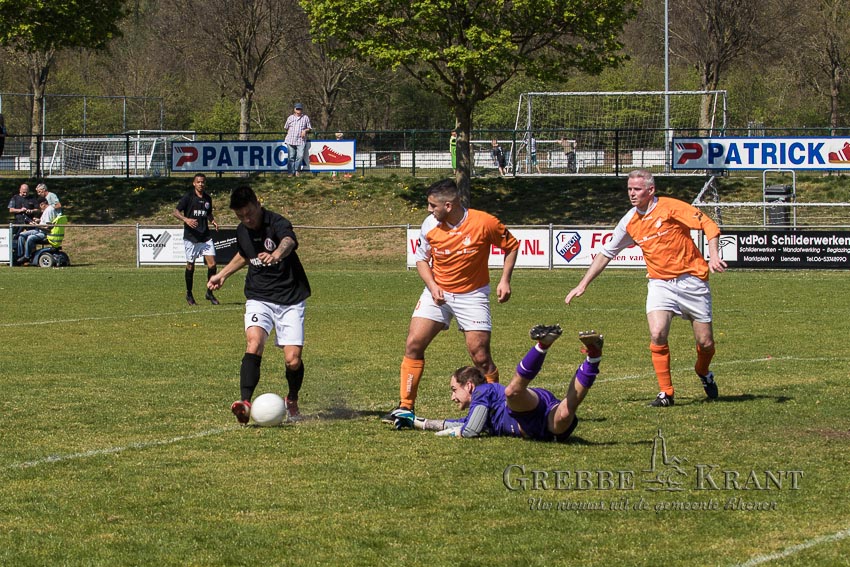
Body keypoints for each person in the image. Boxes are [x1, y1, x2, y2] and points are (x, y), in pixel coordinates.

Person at [564, 169, 727, 407]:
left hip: (692, 279)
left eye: (637, 189)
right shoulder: (629, 221)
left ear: (651, 190)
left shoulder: (671, 207)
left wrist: (713, 255)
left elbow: (709, 225)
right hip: (660, 283)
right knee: (657, 333)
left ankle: (703, 371)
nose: (632, 193)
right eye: (629, 189)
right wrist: (583, 284)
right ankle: (666, 393)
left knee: (706, 343)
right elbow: (606, 253)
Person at [384, 178, 519, 429]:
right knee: (414, 343)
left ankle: (494, 410)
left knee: (480, 357)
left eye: (432, 205)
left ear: (449, 205)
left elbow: (511, 246)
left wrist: (505, 280)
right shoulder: (429, 225)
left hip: (473, 295)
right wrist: (433, 286)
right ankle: (405, 407)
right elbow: (421, 260)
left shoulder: (484, 222)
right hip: (438, 292)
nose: (429, 210)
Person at [208, 185, 312, 423]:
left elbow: (288, 241)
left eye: (249, 213)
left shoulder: (276, 222)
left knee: (293, 360)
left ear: (258, 204)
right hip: (259, 296)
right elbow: (245, 255)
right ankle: (244, 403)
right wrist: (222, 275)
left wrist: (276, 254)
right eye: (240, 216)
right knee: (254, 343)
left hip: (290, 298)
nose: (247, 219)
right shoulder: (242, 230)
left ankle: (292, 399)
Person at [412, 325, 603, 442]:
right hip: (542, 428)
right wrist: (419, 422)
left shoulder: (482, 392)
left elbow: (470, 430)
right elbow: (457, 424)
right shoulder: (479, 411)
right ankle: (593, 356)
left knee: (512, 392)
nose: (452, 397)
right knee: (566, 413)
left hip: (525, 410)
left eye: (454, 389)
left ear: (469, 386)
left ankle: (542, 345)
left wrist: (454, 434)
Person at [173, 173, 219, 306]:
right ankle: (189, 293)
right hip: (191, 237)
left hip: (205, 236)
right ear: (194, 183)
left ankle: (209, 292)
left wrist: (213, 221)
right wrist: (186, 219)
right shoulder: (188, 197)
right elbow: (175, 212)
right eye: (198, 182)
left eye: (202, 182)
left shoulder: (207, 198)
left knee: (212, 265)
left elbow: (208, 213)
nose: (200, 184)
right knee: (190, 265)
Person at [16, 197, 58, 264]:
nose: (40, 208)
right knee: (21, 235)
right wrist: (39, 221)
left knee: (30, 238)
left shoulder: (49, 211)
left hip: (44, 233)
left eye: (40, 206)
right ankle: (20, 255)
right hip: (39, 230)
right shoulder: (48, 210)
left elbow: (48, 228)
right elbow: (46, 222)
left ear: (43, 204)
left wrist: (36, 225)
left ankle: (27, 256)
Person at [284, 103, 312, 177]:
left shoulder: (305, 117)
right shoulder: (290, 118)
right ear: (294, 109)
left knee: (300, 156)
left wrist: (305, 131)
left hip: (301, 140)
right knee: (291, 157)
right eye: (297, 109)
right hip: (290, 140)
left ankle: (297, 171)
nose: (299, 110)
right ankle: (291, 172)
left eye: (300, 109)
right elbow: (286, 127)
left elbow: (309, 128)